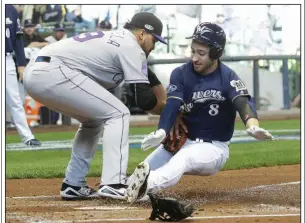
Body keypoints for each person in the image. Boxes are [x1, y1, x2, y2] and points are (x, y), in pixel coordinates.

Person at [23, 12, 168, 200]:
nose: (154, 46)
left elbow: (149, 77)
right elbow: (145, 101)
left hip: (40, 72)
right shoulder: (131, 46)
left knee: (93, 121)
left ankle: (73, 183)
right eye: (154, 40)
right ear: (142, 34)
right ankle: (114, 183)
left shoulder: (120, 41)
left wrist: (166, 102)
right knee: (119, 113)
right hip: (53, 71)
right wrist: (169, 111)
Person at [125, 22, 274, 203]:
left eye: (201, 53)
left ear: (216, 53)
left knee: (184, 159)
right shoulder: (180, 73)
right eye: (193, 51)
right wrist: (162, 130)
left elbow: (243, 102)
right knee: (145, 167)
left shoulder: (227, 77)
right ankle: (129, 187)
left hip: (213, 148)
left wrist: (253, 125)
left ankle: (146, 187)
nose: (194, 58)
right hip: (180, 141)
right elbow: (172, 103)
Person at [5, 5, 41, 146]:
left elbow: (18, 38)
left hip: (6, 59)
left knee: (15, 100)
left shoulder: (10, 9)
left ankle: (27, 137)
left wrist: (21, 64)